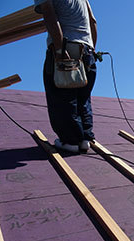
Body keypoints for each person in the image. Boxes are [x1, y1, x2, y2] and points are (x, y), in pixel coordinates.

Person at [34, 0, 97, 153]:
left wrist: (59, 48)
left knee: (62, 95)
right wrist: (92, 50)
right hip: (86, 49)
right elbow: (93, 22)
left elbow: (49, 13)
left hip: (67, 47)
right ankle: (84, 139)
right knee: (82, 97)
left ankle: (70, 142)